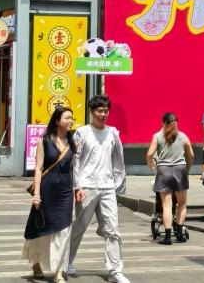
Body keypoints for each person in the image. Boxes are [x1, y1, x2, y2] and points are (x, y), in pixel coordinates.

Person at [69, 95, 129, 283]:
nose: (103, 114)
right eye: (99, 111)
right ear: (91, 111)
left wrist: (117, 185)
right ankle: (67, 261)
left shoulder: (113, 133)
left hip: (107, 187)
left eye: (106, 111)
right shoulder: (82, 133)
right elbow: (75, 161)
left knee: (113, 229)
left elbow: (118, 161)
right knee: (79, 226)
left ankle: (115, 270)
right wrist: (77, 185)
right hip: (86, 186)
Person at [23, 106, 75, 282]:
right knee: (43, 228)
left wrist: (79, 187)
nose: (71, 121)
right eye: (67, 118)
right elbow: (38, 168)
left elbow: (75, 167)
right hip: (47, 189)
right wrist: (36, 194)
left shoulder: (73, 141)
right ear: (58, 120)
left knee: (64, 229)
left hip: (65, 190)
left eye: (72, 118)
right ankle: (36, 263)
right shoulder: (44, 141)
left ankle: (59, 271)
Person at [146, 112, 194, 245]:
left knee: (166, 205)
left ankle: (167, 237)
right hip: (180, 170)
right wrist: (187, 169)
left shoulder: (157, 136)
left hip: (163, 171)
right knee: (182, 203)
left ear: (163, 123)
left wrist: (152, 166)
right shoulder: (183, 136)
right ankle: (179, 232)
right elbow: (191, 155)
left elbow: (149, 154)